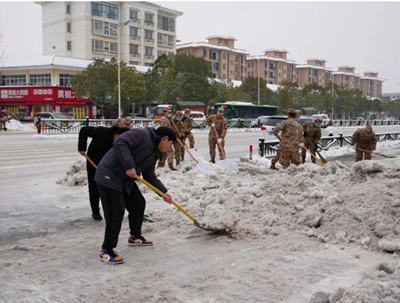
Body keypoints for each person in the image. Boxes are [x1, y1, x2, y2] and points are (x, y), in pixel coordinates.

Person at [94, 126, 176, 264]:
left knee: (138, 203)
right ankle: (106, 250)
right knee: (116, 213)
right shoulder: (141, 134)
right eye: (170, 144)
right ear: (165, 138)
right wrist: (129, 165)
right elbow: (120, 142)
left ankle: (135, 236)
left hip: (124, 180)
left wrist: (163, 192)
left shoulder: (154, 152)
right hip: (109, 176)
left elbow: (149, 175)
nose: (169, 147)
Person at [77, 119, 131, 220]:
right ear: (117, 135)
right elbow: (84, 130)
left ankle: (126, 208)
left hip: (110, 163)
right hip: (94, 160)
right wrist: (82, 147)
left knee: (117, 185)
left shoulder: (121, 143)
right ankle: (95, 211)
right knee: (94, 186)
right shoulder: (102, 132)